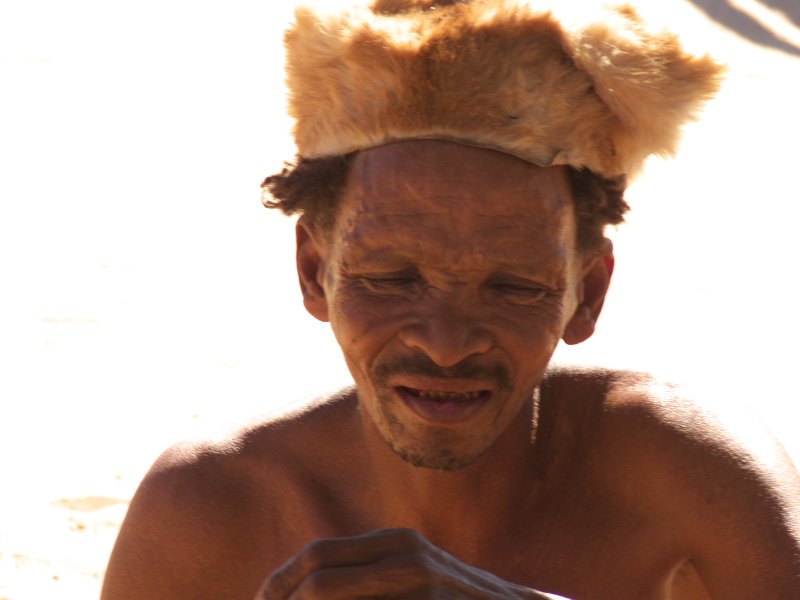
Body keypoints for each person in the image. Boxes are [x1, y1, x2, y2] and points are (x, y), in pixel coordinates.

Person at [100, 1, 800, 599]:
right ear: (315, 273)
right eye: (391, 279)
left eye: (513, 288)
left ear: (586, 294)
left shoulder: (687, 470)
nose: (445, 343)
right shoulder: (213, 509)